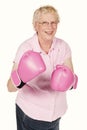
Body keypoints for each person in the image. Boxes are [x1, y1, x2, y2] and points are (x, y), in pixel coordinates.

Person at [7, 5, 77, 130]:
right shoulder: (26, 48)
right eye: (44, 22)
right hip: (30, 114)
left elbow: (72, 80)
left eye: (53, 22)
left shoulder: (63, 46)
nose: (50, 27)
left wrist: (69, 81)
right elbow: (10, 87)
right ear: (36, 25)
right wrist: (22, 77)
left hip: (56, 115)